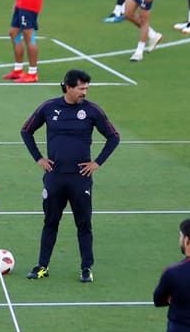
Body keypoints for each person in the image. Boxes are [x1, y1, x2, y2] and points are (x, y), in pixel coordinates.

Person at [20, 68, 121, 283]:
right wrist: (39, 158)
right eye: (81, 88)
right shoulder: (49, 107)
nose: (84, 92)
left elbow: (113, 137)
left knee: (84, 224)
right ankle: (42, 266)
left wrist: (97, 163)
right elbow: (26, 130)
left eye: (86, 88)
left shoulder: (92, 111)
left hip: (80, 178)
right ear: (68, 87)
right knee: (50, 222)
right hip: (54, 177)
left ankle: (86, 268)